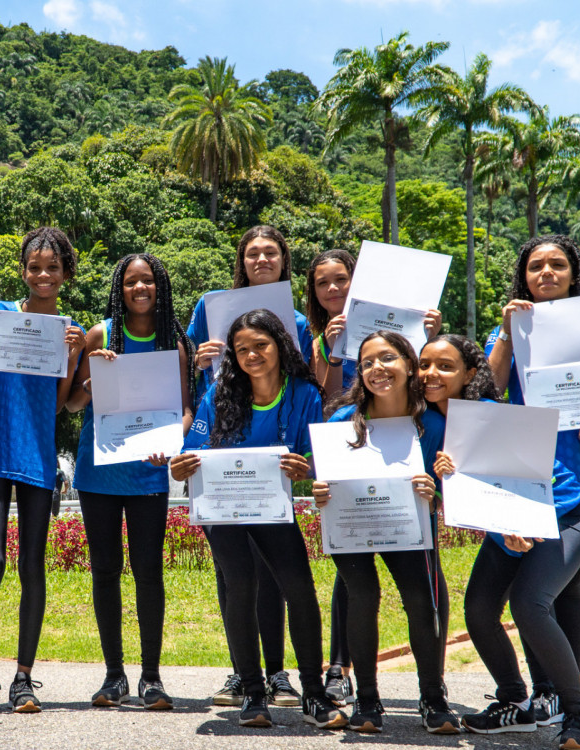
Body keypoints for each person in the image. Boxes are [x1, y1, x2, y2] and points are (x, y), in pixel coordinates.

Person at [418, 334, 580, 749]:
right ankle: (514, 702)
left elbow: (521, 483)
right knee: (480, 610)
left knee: (529, 603)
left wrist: (512, 524)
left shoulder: (488, 413)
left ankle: (579, 712)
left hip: (560, 515)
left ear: (469, 373)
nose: (431, 373)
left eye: (445, 366)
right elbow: (450, 490)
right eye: (425, 364)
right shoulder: (428, 422)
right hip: (506, 528)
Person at [484, 234, 580, 731]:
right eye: (536, 266)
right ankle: (549, 696)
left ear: (574, 275)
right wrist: (508, 332)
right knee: (532, 594)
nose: (546, 273)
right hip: (522, 479)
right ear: (523, 276)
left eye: (557, 265)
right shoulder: (505, 330)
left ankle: (561, 695)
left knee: (566, 593)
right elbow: (485, 391)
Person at [170, 309, 345, 730]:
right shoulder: (219, 392)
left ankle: (314, 694)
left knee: (300, 589)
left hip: (272, 509)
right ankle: (252, 692)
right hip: (224, 510)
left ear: (280, 347)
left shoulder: (303, 393)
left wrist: (304, 469)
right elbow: (192, 452)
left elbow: (316, 458)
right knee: (241, 584)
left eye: (261, 346)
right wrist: (181, 466)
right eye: (242, 348)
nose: (252, 355)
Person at [0, 227, 86, 714]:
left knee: (32, 565)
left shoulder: (67, 329)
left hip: (35, 455)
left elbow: (57, 407)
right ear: (23, 270)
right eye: (35, 267)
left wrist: (73, 355)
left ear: (65, 273)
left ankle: (24, 679)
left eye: (52, 267)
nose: (43, 275)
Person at [186, 226, 310, 708]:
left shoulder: (297, 320)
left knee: (275, 570)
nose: (262, 259)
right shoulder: (209, 307)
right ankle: (244, 674)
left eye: (271, 252)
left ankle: (278, 673)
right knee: (235, 574)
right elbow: (191, 372)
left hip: (269, 459)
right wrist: (200, 361)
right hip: (221, 439)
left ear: (283, 261)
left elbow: (301, 380)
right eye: (252, 253)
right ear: (241, 260)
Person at [66, 253, 195, 709]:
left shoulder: (173, 343)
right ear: (119, 290)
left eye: (147, 282)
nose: (139, 289)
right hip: (99, 471)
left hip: (148, 471)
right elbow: (73, 407)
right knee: (104, 570)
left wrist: (172, 441)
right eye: (130, 282)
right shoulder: (99, 333)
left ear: (160, 287)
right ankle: (114, 674)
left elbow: (185, 410)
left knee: (148, 572)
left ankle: (152, 677)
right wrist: (90, 378)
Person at [311, 331, 457, 734]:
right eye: (368, 361)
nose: (378, 368)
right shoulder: (342, 421)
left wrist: (437, 490)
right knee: (362, 598)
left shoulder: (432, 421)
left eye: (388, 358)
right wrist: (321, 491)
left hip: (410, 529)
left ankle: (433, 699)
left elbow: (453, 481)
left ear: (410, 365)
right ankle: (368, 701)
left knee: (419, 603)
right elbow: (326, 482)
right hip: (353, 529)